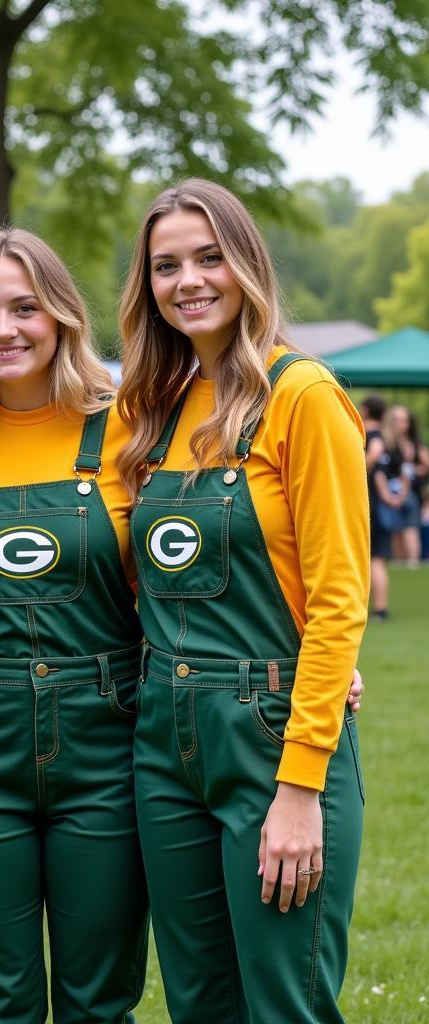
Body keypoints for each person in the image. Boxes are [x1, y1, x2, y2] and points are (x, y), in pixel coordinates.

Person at [117, 178, 367, 1023]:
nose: (188, 279)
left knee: (284, 1002)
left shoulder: (304, 397)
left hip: (271, 736)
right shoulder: (150, 411)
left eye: (209, 257)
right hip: (163, 741)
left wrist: (300, 785)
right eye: (166, 265)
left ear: (247, 264)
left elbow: (339, 600)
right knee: (198, 1002)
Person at [0, 228, 148, 1022]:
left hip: (110, 735)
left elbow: (180, 571)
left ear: (62, 315)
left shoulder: (130, 428)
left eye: (24, 307)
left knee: (99, 995)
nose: (4, 329)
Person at [360, 394, 392, 618]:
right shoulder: (383, 434)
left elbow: (375, 453)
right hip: (375, 504)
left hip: (369, 504)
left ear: (365, 409)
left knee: (375, 558)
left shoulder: (372, 435)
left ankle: (380, 608)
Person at [385, 403, 428, 567]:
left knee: (410, 528)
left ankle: (412, 563)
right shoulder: (387, 441)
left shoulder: (413, 444)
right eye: (397, 420)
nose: (401, 424)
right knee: (396, 530)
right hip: (390, 494)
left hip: (408, 493)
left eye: (404, 420)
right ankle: (399, 563)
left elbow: (425, 464)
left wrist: (412, 470)